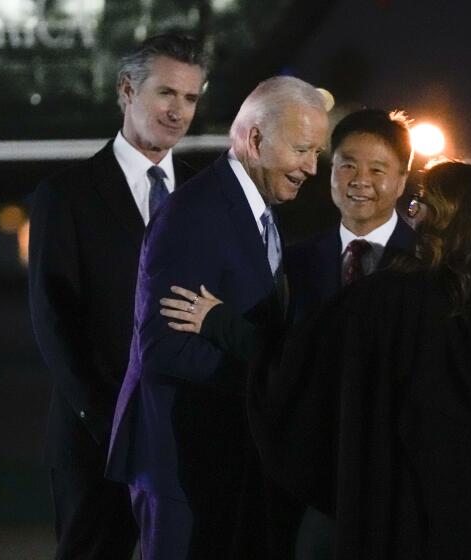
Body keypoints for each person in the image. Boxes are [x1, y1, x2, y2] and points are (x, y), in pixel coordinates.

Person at [249, 162, 471, 558]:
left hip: (393, 532)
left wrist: (226, 329)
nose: (413, 214)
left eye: (423, 204)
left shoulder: (384, 302)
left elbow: (295, 380)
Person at [158, 107, 418, 559]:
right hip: (307, 481)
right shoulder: (293, 263)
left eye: (377, 169)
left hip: (394, 480)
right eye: (346, 165)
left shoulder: (426, 264)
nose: (360, 180)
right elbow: (278, 357)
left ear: (401, 178)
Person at [105, 76, 328, 559]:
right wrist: (269, 384)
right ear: (255, 139)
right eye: (303, 150)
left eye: (316, 153)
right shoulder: (195, 214)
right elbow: (163, 348)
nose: (312, 167)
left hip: (225, 461)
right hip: (181, 467)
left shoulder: (256, 210)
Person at [27, 33, 206, 560]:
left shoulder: (204, 196)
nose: (179, 111)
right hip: (94, 440)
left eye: (191, 99)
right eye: (166, 94)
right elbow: (52, 319)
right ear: (127, 90)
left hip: (184, 438)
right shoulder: (65, 194)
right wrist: (106, 421)